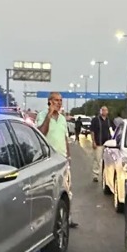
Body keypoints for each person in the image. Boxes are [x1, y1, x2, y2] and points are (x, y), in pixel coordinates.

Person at [36, 92, 78, 227]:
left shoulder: (63, 119)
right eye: (56, 100)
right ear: (49, 102)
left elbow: (65, 138)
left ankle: (67, 218)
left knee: (66, 190)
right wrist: (49, 115)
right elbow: (41, 133)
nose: (59, 103)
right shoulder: (42, 115)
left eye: (61, 100)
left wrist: (68, 156)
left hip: (62, 160)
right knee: (49, 192)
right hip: (47, 161)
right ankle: (46, 221)